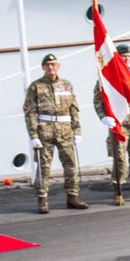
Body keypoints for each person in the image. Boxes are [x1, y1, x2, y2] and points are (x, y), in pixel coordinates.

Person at [23, 54, 88, 213]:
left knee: (70, 164)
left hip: (65, 129)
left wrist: (77, 131)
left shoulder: (66, 85)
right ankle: (42, 198)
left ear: (58, 66)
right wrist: (33, 136)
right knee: (44, 166)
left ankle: (72, 196)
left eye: (53, 64)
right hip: (45, 129)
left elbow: (74, 109)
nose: (51, 67)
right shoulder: (36, 86)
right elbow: (29, 112)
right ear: (43, 67)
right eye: (48, 65)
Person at [93, 45, 130, 205]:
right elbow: (98, 100)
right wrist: (103, 117)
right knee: (119, 158)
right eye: (123, 56)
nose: (126, 59)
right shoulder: (106, 76)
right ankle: (117, 189)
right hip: (119, 122)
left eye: (128, 56)